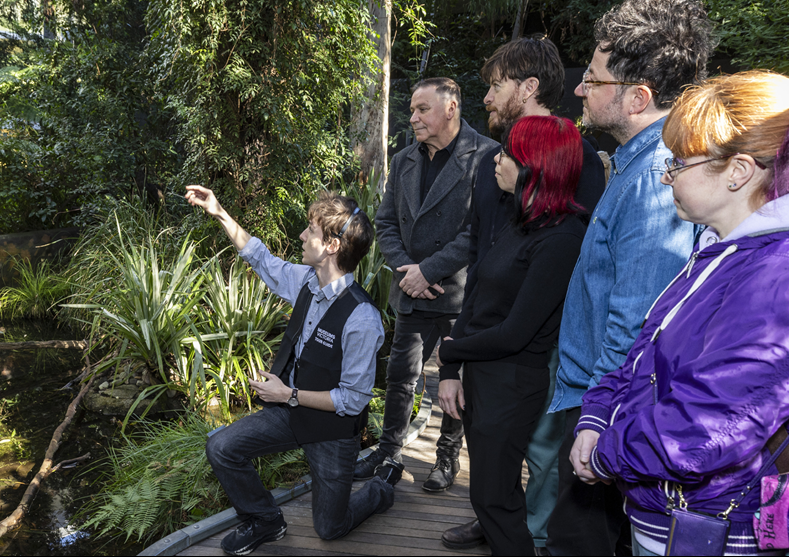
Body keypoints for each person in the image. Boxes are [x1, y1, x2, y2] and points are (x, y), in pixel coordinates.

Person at [572, 71, 789, 556]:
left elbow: (711, 422)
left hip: (718, 527)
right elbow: (646, 351)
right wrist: (596, 417)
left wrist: (607, 454)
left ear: (737, 172)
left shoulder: (782, 274)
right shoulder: (722, 251)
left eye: (679, 163)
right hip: (674, 512)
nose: (667, 176)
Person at [545, 0, 715, 555]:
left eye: (592, 79)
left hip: (610, 416)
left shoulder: (652, 181)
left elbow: (638, 324)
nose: (578, 89)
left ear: (638, 97)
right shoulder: (637, 164)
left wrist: (600, 425)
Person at [439, 36, 606, 554]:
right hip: (489, 344)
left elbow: (573, 266)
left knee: (544, 452)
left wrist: (453, 349)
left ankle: (531, 532)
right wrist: (453, 364)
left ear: (528, 86)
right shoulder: (497, 170)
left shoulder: (576, 170)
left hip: (540, 346)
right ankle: (499, 519)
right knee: (495, 472)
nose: (486, 97)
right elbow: (481, 254)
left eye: (495, 85)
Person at [188, 185, 400, 556]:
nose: (302, 235)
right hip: (290, 413)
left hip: (332, 432)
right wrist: (219, 212)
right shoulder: (306, 281)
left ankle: (381, 488)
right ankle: (266, 520)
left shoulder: (363, 319)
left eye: (311, 231)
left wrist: (289, 394)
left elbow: (352, 400)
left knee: (330, 529)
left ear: (332, 246)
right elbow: (260, 257)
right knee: (220, 446)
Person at [360, 77, 498, 492]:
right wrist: (408, 271)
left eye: (422, 109)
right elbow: (385, 222)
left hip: (459, 295)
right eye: (412, 110)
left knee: (455, 383)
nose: (413, 117)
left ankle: (446, 458)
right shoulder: (404, 160)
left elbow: (479, 230)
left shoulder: (485, 156)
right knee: (401, 376)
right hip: (412, 291)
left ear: (451, 107)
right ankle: (388, 452)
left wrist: (429, 271)